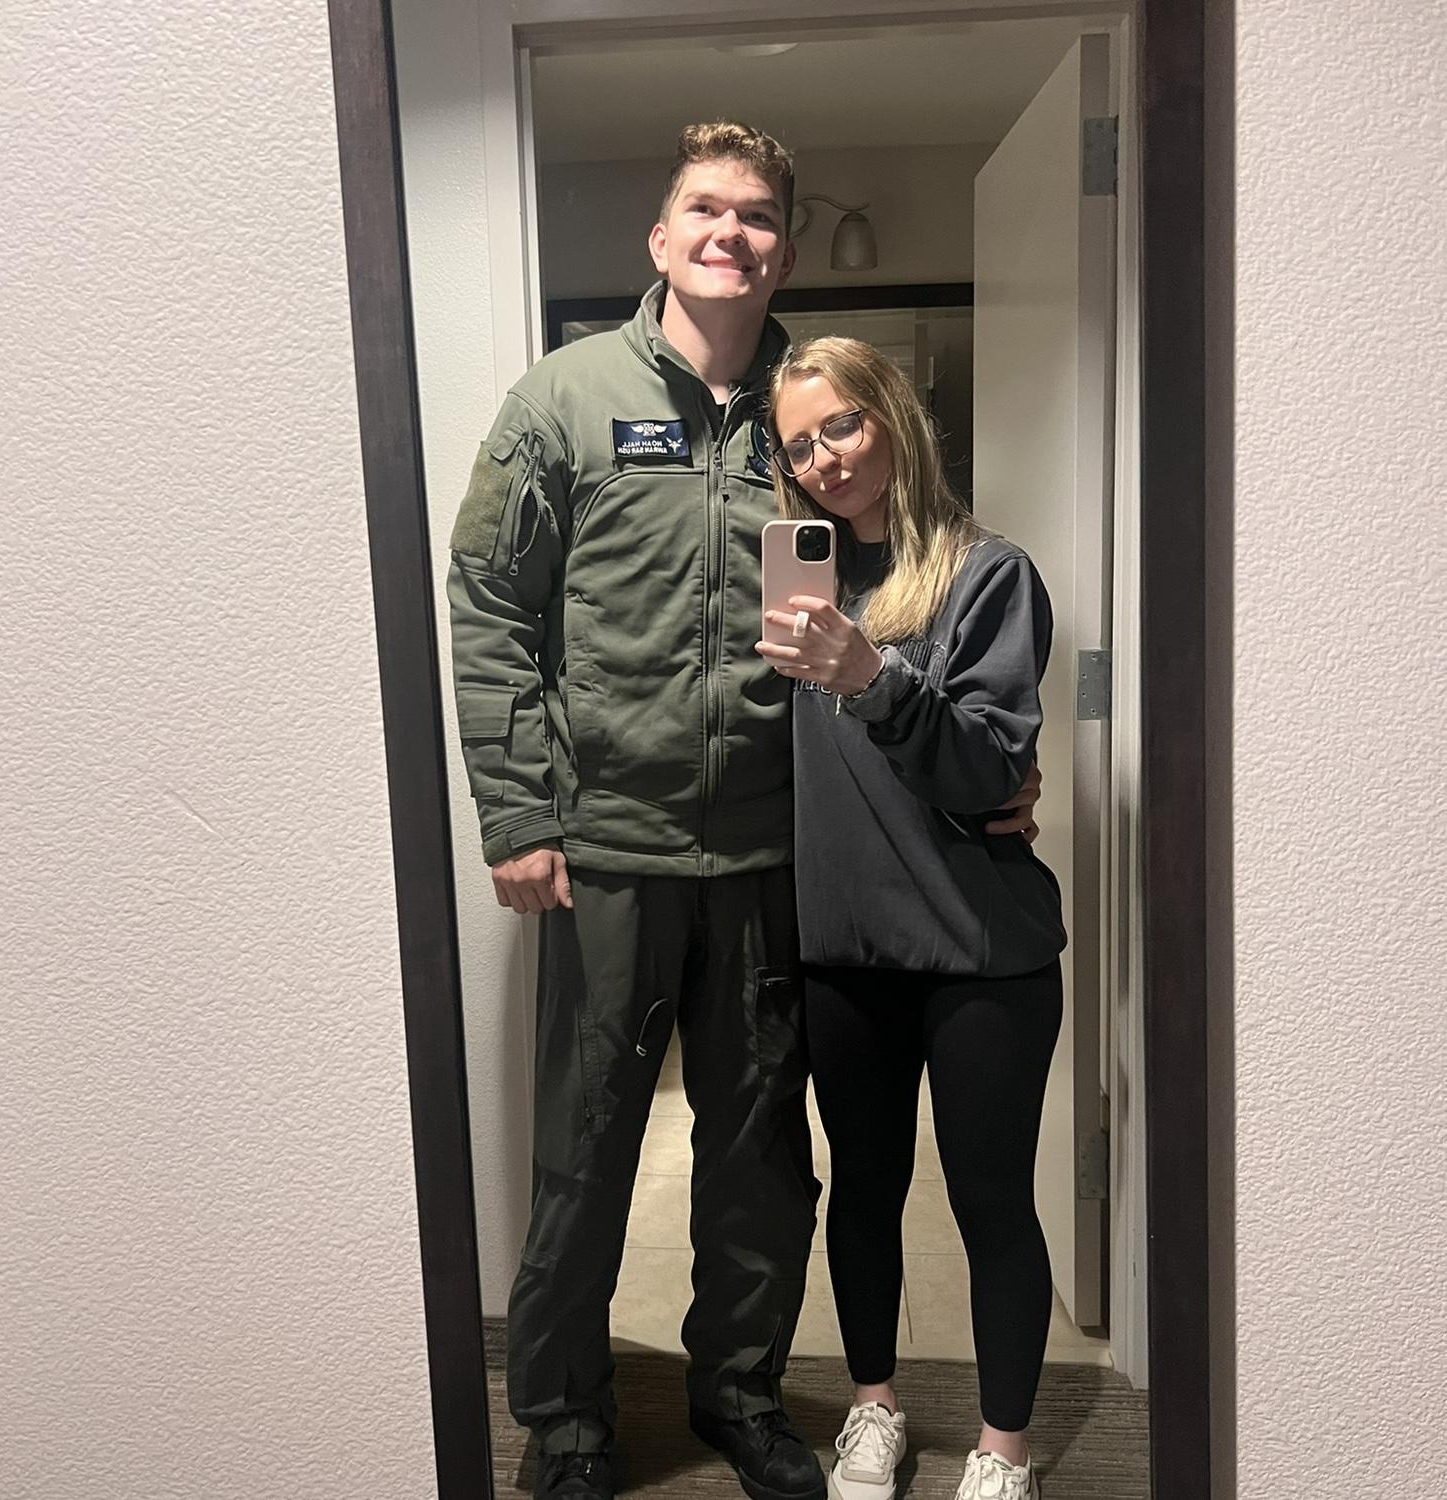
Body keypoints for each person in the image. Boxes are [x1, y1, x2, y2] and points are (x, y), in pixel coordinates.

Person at [447, 123, 1040, 1500]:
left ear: (782, 253)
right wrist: (518, 812)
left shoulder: (803, 420)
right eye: (707, 209)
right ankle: (568, 1420)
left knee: (765, 1157)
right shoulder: (564, 401)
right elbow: (488, 604)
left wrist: (990, 765)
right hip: (611, 848)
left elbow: (902, 589)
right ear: (661, 241)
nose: (734, 232)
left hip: (778, 856)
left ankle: (740, 1393)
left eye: (761, 215)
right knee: (587, 1150)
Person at [755, 337, 1066, 1500]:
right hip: (846, 947)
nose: (824, 459)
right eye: (799, 445)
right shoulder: (796, 589)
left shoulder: (989, 576)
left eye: (840, 425)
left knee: (990, 1201)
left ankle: (1003, 1450)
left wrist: (872, 679)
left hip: (982, 948)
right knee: (866, 1188)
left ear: (891, 415)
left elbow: (987, 769)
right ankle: (874, 1407)